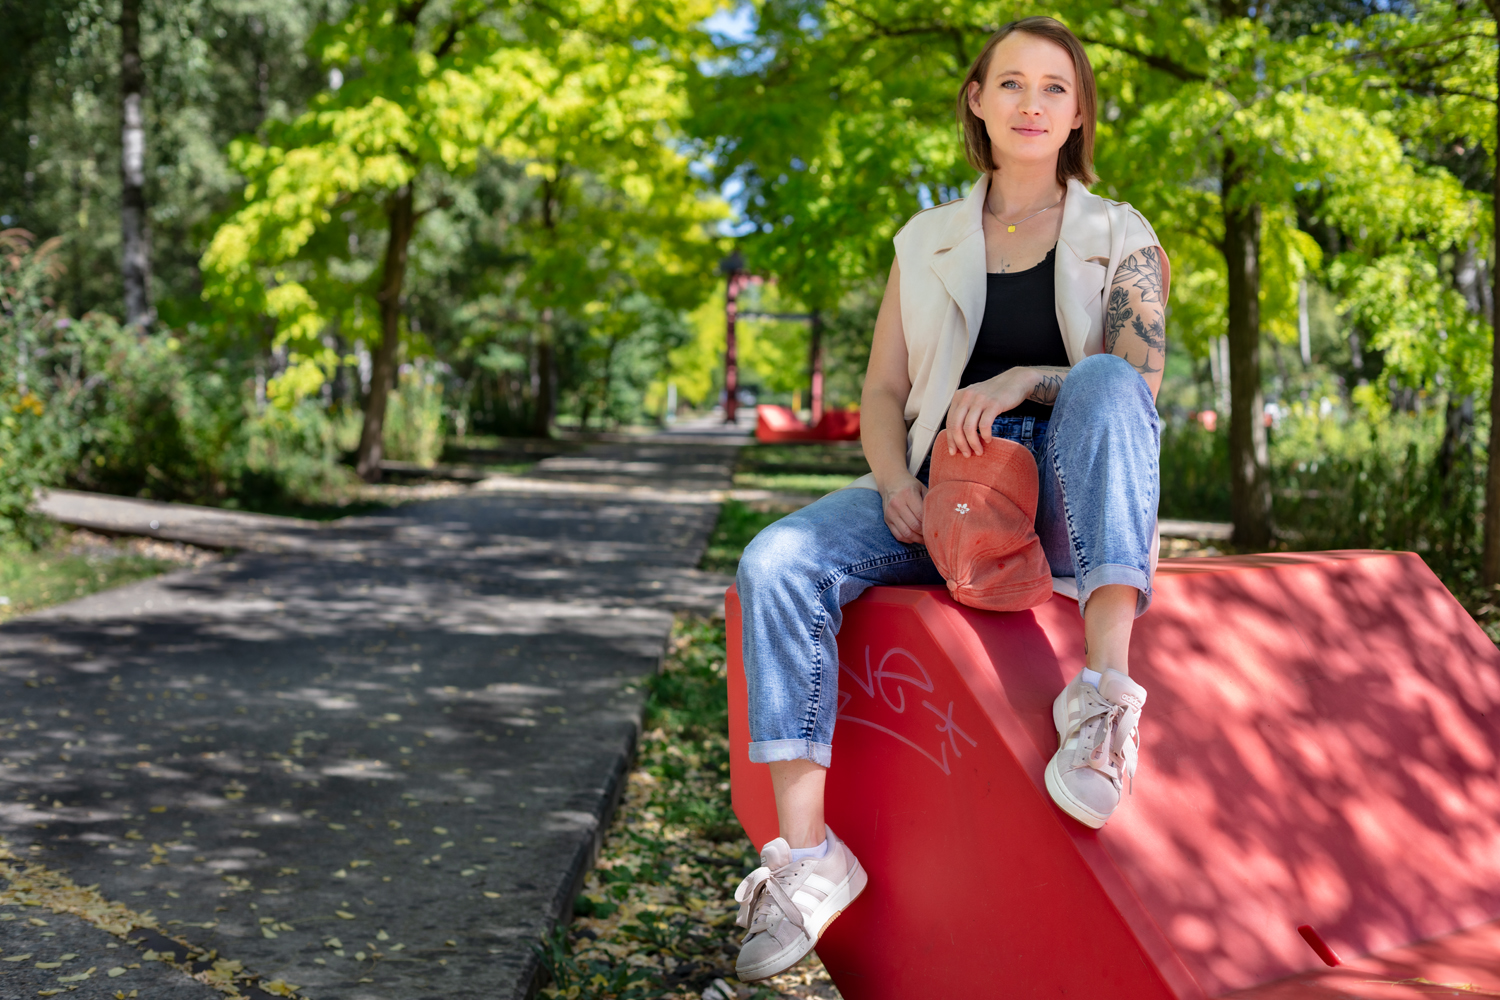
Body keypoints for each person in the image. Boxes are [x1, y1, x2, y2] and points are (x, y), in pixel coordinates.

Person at [727, 16, 1171, 985]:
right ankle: (807, 863)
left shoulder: (1123, 236)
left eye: (1054, 87)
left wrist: (1022, 379)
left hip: (1061, 498)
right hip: (937, 491)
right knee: (775, 561)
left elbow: (1136, 388)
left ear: (1080, 111)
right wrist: (894, 485)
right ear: (977, 98)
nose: (1031, 103)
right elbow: (883, 392)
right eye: (1010, 83)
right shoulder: (923, 238)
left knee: (1101, 380)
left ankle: (1101, 702)